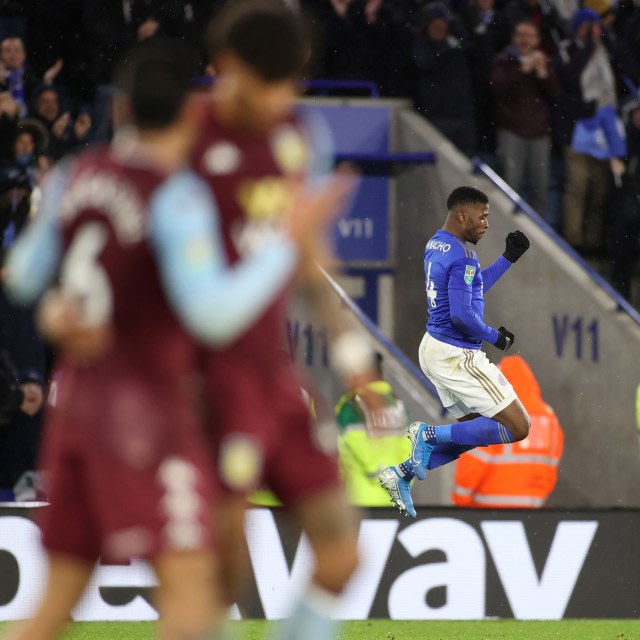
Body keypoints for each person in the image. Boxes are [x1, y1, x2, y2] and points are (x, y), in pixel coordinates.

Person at [4, 37, 347, 640]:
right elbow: (213, 314)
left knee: (49, 613)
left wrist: (58, 312)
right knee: (195, 599)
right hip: (147, 415)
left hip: (75, 405)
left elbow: (24, 276)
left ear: (118, 111)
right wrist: (288, 245)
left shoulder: (76, 175)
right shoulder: (174, 193)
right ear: (187, 114)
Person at [192, 2, 371, 638]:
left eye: (293, 81)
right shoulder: (183, 142)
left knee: (342, 554)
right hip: (198, 385)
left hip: (274, 377)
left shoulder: (299, 139)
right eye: (273, 82)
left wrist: (351, 353)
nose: (284, 99)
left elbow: (307, 256)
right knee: (221, 572)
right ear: (228, 69)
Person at [379, 185, 531, 518]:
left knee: (475, 432)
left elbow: (470, 288)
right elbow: (462, 315)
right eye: (483, 215)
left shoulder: (438, 244)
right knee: (518, 426)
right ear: (463, 215)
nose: (486, 223)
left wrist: (507, 259)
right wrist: (496, 337)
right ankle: (426, 433)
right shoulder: (461, 256)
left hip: (435, 349)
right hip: (457, 354)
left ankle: (402, 473)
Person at [451, 354, 564, 508]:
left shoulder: (496, 415)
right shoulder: (550, 419)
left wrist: (461, 501)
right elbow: (551, 468)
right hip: (531, 510)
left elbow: (474, 463)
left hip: (489, 511)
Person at [491, 20, 561, 217]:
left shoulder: (544, 61)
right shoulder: (503, 60)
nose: (525, 40)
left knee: (541, 189)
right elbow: (499, 88)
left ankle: (538, 237)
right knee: (511, 187)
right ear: (514, 38)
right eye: (521, 35)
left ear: (537, 40)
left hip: (539, 133)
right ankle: (509, 232)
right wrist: (523, 70)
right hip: (512, 131)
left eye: (530, 35)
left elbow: (556, 93)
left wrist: (543, 73)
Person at [336, 353, 412, 506]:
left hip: (360, 498)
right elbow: (410, 448)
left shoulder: (352, 406)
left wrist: (376, 473)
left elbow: (354, 444)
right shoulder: (398, 404)